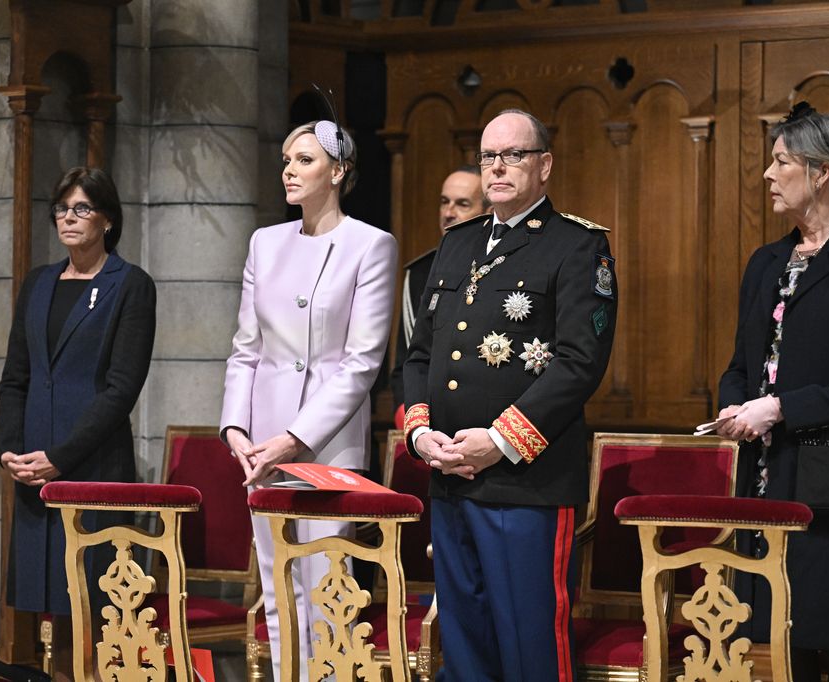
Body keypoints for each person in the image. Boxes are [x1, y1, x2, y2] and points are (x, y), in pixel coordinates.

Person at [402, 109, 617, 681]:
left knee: (529, 649)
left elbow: (579, 363)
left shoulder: (577, 246)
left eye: (513, 155)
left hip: (527, 483)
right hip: (450, 475)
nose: (498, 167)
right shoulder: (457, 244)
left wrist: (500, 440)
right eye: (488, 156)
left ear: (544, 165)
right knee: (466, 645)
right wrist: (422, 435)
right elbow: (421, 354)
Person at [716, 102, 829, 681]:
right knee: (773, 640)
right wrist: (732, 403)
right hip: (763, 476)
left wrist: (780, 408)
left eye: (780, 162)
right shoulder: (765, 261)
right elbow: (738, 364)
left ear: (821, 172)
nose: (768, 175)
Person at [219, 120, 397, 680]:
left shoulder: (371, 244)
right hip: (260, 449)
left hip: (326, 448)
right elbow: (245, 350)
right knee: (276, 593)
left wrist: (294, 440)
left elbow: (362, 362)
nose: (288, 171)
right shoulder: (264, 243)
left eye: (304, 160)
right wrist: (235, 431)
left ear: (338, 172)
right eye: (286, 160)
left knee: (326, 592)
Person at [0, 167, 156, 623]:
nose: (69, 218)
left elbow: (121, 388)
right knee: (46, 606)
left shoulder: (130, 285)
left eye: (82, 208)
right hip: (34, 469)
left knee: (93, 605)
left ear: (107, 219)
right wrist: (10, 451)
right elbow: (15, 378)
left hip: (92, 467)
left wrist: (61, 457)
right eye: (62, 209)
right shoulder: (38, 283)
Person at [390, 165, 489, 423]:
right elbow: (409, 359)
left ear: (488, 212)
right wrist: (413, 420)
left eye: (462, 204)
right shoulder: (421, 272)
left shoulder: (505, 267)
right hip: (430, 419)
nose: (448, 213)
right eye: (444, 202)